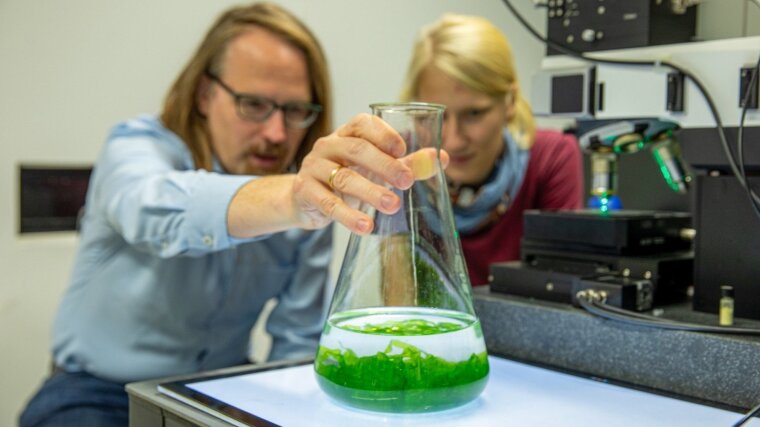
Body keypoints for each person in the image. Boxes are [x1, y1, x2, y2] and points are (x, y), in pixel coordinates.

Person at [19, 3, 433, 426]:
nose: (275, 133)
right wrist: (292, 199)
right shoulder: (136, 147)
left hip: (219, 388)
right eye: (253, 104)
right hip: (96, 394)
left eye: (294, 111)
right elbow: (152, 210)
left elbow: (296, 346)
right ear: (203, 95)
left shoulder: (308, 204)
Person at [400, 14, 584, 286]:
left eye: (474, 113)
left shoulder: (551, 158)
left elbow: (559, 295)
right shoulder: (399, 163)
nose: (452, 141)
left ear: (509, 101)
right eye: (434, 116)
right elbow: (395, 303)